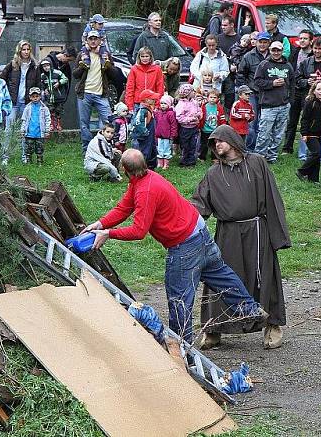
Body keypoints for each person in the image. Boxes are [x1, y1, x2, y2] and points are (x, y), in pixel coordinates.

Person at [83, 149, 268, 344]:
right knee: (220, 275)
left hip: (185, 246)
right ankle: (249, 309)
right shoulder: (146, 178)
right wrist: (101, 224)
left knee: (179, 300)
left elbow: (138, 231)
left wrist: (109, 234)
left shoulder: (146, 190)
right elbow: (124, 207)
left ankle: (181, 352)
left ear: (124, 168)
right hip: (200, 232)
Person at [191, 125, 290, 350]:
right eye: (214, 142)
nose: (217, 145)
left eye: (220, 140)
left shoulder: (257, 163)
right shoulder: (213, 174)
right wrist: (184, 221)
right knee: (221, 279)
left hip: (257, 232)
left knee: (265, 278)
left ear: (233, 141)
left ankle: (272, 326)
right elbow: (199, 203)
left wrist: (278, 237)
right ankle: (214, 329)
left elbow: (273, 198)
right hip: (228, 234)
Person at [75, 31, 117, 153]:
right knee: (84, 124)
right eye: (91, 39)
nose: (93, 41)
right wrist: (82, 67)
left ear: (100, 40)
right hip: (85, 93)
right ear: (87, 41)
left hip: (101, 94)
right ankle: (87, 150)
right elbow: (75, 75)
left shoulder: (105, 54)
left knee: (108, 121)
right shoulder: (82, 54)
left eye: (95, 39)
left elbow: (114, 75)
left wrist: (108, 66)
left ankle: (107, 147)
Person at [253, 40, 293, 164]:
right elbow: (257, 82)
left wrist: (290, 101)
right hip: (268, 105)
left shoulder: (288, 66)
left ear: (282, 51)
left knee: (278, 134)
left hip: (284, 105)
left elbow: (293, 84)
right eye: (273, 50)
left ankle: (272, 156)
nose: (276, 53)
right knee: (264, 133)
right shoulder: (264, 65)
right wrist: (272, 83)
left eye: (278, 50)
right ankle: (259, 157)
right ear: (270, 50)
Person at [237, 31, 271, 151]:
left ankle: (262, 148)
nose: (262, 45)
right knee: (251, 121)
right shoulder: (248, 56)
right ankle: (249, 148)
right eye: (260, 42)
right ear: (256, 42)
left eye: (265, 42)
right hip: (252, 93)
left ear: (269, 43)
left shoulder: (273, 56)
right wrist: (245, 91)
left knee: (265, 122)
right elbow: (241, 74)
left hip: (268, 93)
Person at [283, 30, 314, 154]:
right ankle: (287, 147)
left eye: (305, 38)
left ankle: (308, 148)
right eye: (300, 38)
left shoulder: (314, 54)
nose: (302, 40)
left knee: (307, 119)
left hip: (308, 90)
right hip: (294, 89)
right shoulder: (295, 52)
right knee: (292, 120)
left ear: (311, 41)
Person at [296, 81, 321, 183]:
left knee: (318, 157)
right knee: (316, 153)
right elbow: (304, 119)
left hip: (319, 134)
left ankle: (314, 179)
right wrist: (304, 134)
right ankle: (301, 171)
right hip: (310, 133)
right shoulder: (310, 102)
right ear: (313, 91)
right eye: (318, 89)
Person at [20, 87, 51, 164]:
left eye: (37, 96)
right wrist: (23, 130)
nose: (35, 98)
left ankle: (39, 161)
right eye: (33, 97)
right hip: (29, 132)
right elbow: (24, 119)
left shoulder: (44, 108)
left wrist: (47, 130)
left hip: (40, 133)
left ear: (40, 96)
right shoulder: (27, 108)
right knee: (29, 148)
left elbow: (47, 119)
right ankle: (29, 161)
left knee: (40, 148)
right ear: (30, 97)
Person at [175, 83, 202, 167]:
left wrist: (198, 115)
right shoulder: (181, 105)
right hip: (185, 129)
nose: (194, 92)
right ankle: (184, 161)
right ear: (187, 93)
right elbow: (179, 118)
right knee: (185, 145)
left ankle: (191, 161)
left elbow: (199, 110)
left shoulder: (194, 102)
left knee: (193, 144)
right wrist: (190, 119)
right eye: (192, 91)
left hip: (194, 128)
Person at [216, 15, 240, 112]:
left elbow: (242, 57)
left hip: (232, 75)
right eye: (222, 25)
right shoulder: (218, 38)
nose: (223, 27)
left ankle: (228, 119)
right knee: (217, 97)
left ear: (232, 25)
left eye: (225, 25)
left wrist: (236, 65)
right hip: (219, 73)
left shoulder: (239, 39)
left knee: (230, 99)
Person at [131, 89, 159, 169]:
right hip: (144, 137)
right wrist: (145, 132)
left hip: (150, 136)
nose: (154, 100)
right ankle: (142, 168)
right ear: (147, 100)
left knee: (152, 151)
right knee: (144, 152)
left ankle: (150, 167)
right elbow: (137, 122)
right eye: (152, 99)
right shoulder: (143, 110)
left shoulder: (149, 109)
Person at [39, 58, 68, 132]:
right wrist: (44, 90)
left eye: (47, 65)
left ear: (50, 65)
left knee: (58, 111)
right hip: (49, 98)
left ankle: (58, 125)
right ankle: (51, 125)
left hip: (58, 96)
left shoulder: (57, 72)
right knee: (50, 111)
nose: (46, 67)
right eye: (44, 66)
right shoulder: (42, 76)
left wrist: (59, 83)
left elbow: (65, 79)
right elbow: (41, 84)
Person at [154, 95, 178, 170]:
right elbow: (155, 117)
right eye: (161, 103)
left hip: (167, 136)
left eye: (165, 103)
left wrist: (173, 134)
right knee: (160, 149)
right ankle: (160, 163)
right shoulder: (159, 112)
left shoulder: (171, 113)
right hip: (159, 135)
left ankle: (166, 164)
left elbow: (174, 124)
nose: (163, 105)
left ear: (169, 104)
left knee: (166, 149)